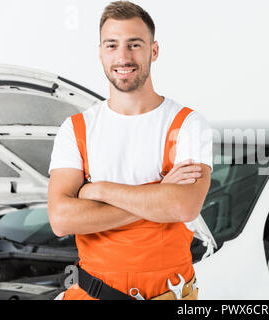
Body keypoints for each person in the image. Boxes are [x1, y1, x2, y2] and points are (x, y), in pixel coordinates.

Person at [47, 1, 213, 300]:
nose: (123, 57)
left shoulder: (187, 124)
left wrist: (96, 190)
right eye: (112, 45)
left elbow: (184, 207)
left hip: (170, 294)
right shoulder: (76, 129)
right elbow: (61, 219)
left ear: (154, 50)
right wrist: (159, 195)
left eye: (134, 44)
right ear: (100, 53)